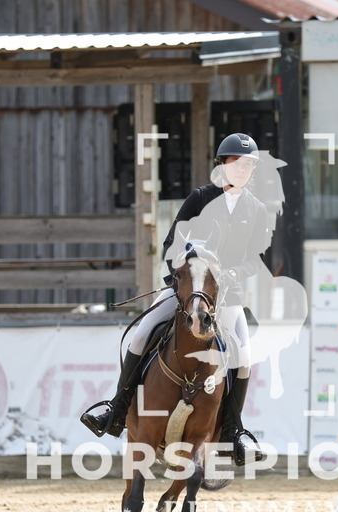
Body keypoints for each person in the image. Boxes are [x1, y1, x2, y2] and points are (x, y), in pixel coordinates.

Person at [80, 133, 273, 465]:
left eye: (248, 165)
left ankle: (234, 429)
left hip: (226, 299)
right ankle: (116, 408)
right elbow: (172, 244)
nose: (242, 170)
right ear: (222, 166)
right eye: (235, 163)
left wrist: (231, 275)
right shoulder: (199, 199)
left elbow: (257, 259)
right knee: (140, 335)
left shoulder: (257, 210)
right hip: (186, 291)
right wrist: (184, 277)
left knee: (243, 357)